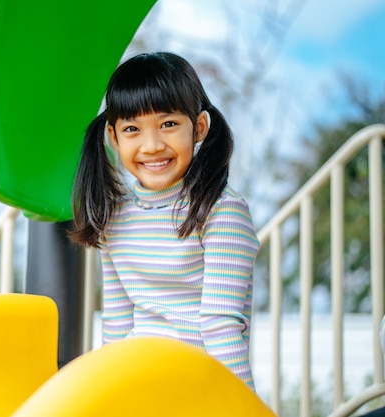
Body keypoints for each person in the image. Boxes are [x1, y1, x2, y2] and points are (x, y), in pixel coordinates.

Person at [70, 52, 260, 390]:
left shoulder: (222, 212)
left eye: (168, 124)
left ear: (199, 127)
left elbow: (220, 325)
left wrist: (246, 408)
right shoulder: (114, 218)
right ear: (114, 138)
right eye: (132, 129)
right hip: (136, 384)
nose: (152, 145)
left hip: (196, 388)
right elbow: (116, 325)